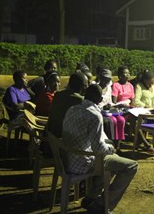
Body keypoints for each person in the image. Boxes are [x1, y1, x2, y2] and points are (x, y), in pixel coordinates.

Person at [62, 84, 138, 213]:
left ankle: (91, 197)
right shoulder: (95, 115)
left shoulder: (72, 109)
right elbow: (98, 149)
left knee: (113, 160)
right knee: (130, 166)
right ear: (99, 99)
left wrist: (107, 147)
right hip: (83, 164)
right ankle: (102, 204)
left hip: (68, 160)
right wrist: (110, 148)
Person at [46, 72, 88, 138]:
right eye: (86, 85)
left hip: (51, 137)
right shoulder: (80, 100)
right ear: (82, 87)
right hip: (64, 140)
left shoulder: (58, 95)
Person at [98, 69, 126, 142]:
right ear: (100, 78)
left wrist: (116, 105)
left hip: (109, 111)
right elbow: (95, 103)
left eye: (108, 79)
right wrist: (103, 107)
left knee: (121, 119)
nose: (106, 81)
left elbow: (110, 101)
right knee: (112, 121)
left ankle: (118, 143)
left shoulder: (109, 88)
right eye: (105, 79)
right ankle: (112, 141)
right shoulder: (97, 89)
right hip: (100, 111)